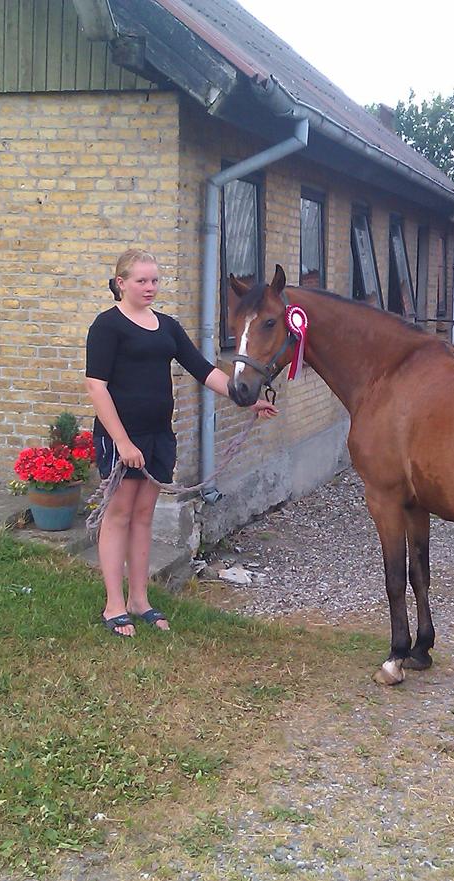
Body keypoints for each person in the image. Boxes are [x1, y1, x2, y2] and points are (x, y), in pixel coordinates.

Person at [85, 249, 277, 637]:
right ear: (121, 283)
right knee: (119, 516)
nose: (150, 287)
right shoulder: (107, 326)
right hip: (123, 439)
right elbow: (96, 386)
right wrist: (122, 442)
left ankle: (139, 600)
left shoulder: (168, 327)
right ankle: (113, 605)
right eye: (141, 280)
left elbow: (205, 371)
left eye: (155, 280)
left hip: (159, 437)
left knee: (143, 517)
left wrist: (245, 399)